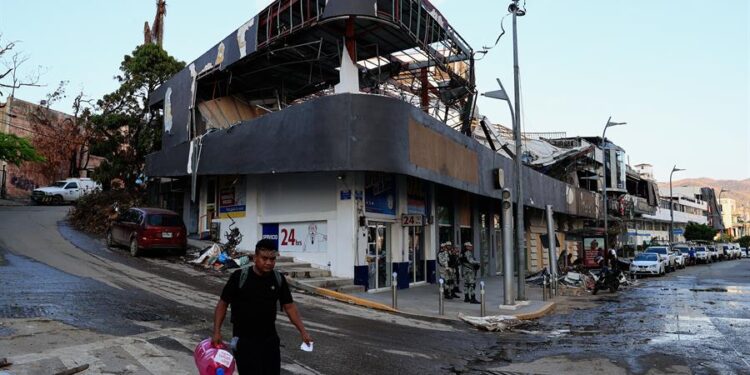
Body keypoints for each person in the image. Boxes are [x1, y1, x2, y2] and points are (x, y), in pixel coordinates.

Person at [212, 239, 313, 375]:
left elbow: (289, 307)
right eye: (264, 258)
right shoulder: (239, 277)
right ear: (255, 258)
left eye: (272, 259)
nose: (269, 263)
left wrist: (303, 332)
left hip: (269, 339)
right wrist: (217, 331)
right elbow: (223, 304)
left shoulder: (278, 279)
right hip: (244, 340)